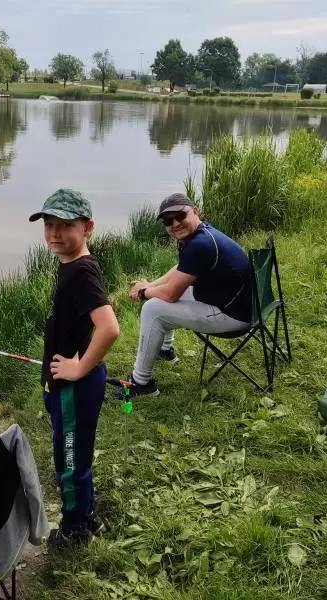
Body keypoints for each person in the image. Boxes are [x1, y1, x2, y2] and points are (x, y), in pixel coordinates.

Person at [29, 188, 120, 545]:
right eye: (49, 225)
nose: (54, 233)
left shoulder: (80, 271)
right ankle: (86, 516)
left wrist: (79, 369)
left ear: (88, 227)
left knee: (69, 462)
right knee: (77, 454)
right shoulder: (73, 263)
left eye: (65, 225)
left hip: (74, 388)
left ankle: (75, 530)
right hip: (67, 386)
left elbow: (109, 328)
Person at [121, 192, 252, 397]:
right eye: (168, 221)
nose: (175, 224)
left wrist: (144, 292)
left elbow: (171, 294)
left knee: (153, 309)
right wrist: (150, 284)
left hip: (233, 316)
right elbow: (180, 269)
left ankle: (140, 383)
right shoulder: (203, 233)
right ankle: (165, 350)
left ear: (195, 212)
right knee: (166, 295)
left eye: (180, 216)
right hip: (236, 303)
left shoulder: (200, 244)